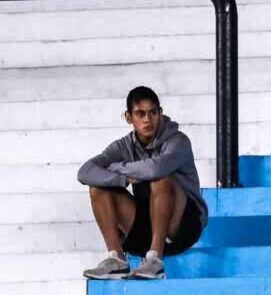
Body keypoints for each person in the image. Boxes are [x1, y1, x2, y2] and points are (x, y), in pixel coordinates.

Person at [77, 86, 207, 280]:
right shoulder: (123, 146)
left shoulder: (178, 141)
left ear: (160, 113)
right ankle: (117, 259)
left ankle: (155, 260)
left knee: (160, 179)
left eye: (153, 113)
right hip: (146, 226)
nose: (148, 119)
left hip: (183, 227)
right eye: (140, 114)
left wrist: (117, 167)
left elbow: (156, 169)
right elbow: (85, 172)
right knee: (98, 188)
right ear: (129, 117)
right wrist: (122, 179)